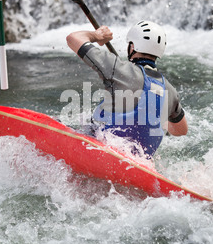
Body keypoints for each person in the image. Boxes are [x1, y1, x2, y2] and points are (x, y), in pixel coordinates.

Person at [66, 20, 188, 158]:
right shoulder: (170, 91)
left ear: (132, 47)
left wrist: (97, 35)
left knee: (74, 122)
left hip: (104, 147)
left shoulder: (118, 68)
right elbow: (181, 130)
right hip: (140, 160)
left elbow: (73, 38)